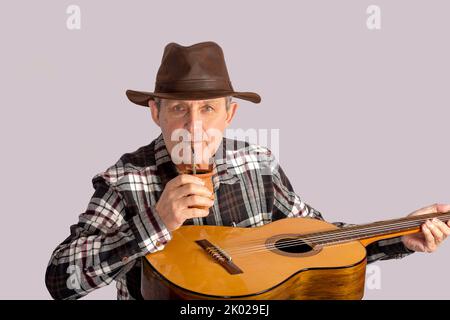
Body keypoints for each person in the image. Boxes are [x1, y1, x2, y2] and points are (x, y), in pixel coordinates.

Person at [45, 41, 450, 300]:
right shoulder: (124, 179)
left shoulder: (258, 163)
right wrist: (156, 221)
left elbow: (319, 242)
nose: (195, 125)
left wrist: (399, 235)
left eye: (208, 108)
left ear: (229, 114)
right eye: (179, 109)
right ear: (156, 113)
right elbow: (60, 279)